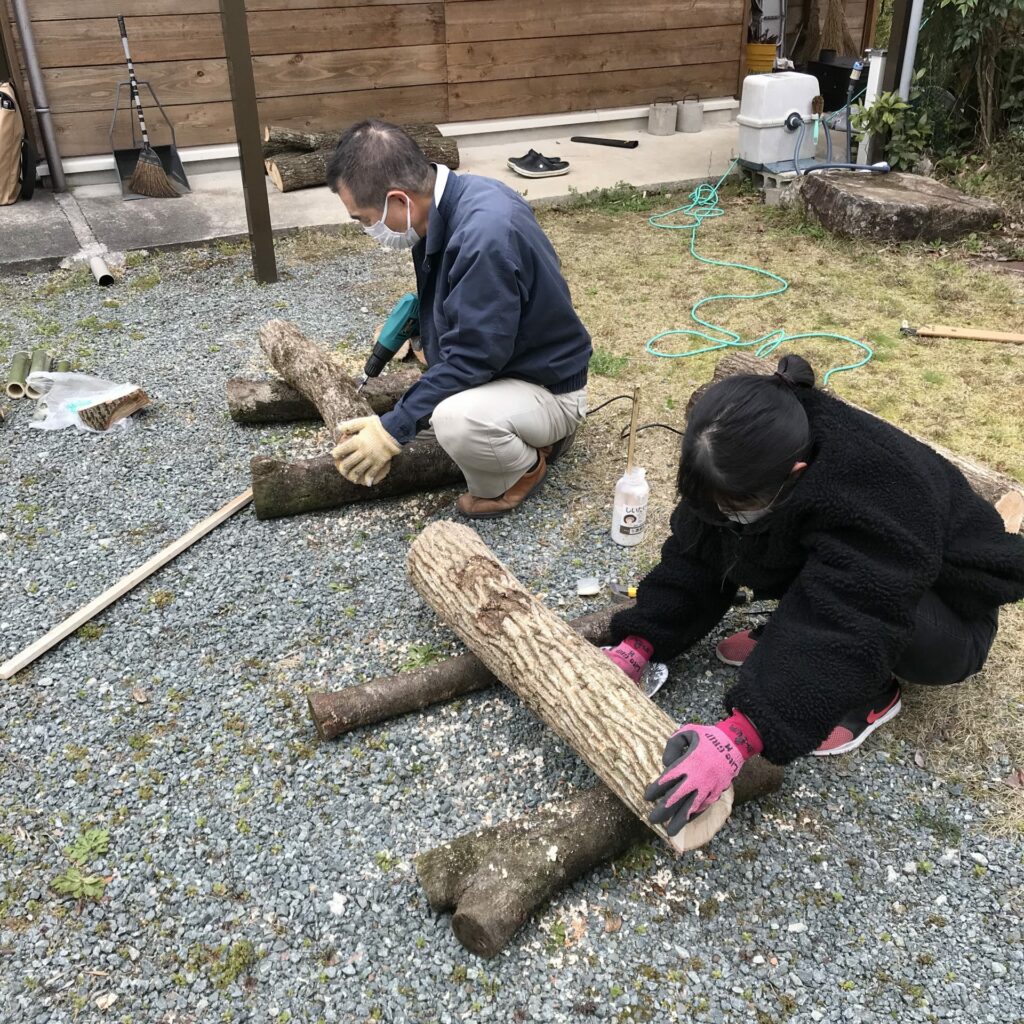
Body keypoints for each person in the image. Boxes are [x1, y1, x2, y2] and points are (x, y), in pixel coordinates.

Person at [603, 355, 1024, 837]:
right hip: (863, 566)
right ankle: (786, 639)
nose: (724, 515)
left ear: (797, 472)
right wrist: (640, 643)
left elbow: (848, 617)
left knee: (853, 615)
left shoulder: (875, 487)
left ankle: (873, 689)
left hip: (946, 614)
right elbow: (697, 552)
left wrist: (739, 736)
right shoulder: (740, 451)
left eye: (736, 508)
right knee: (749, 536)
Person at [325, 120, 592, 518]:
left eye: (364, 219)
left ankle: (524, 468)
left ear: (399, 200)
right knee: (438, 394)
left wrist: (392, 428)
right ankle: (521, 428)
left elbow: (472, 359)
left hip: (550, 388)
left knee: (454, 419)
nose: (368, 229)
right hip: (515, 365)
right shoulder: (450, 206)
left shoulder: (484, 235)